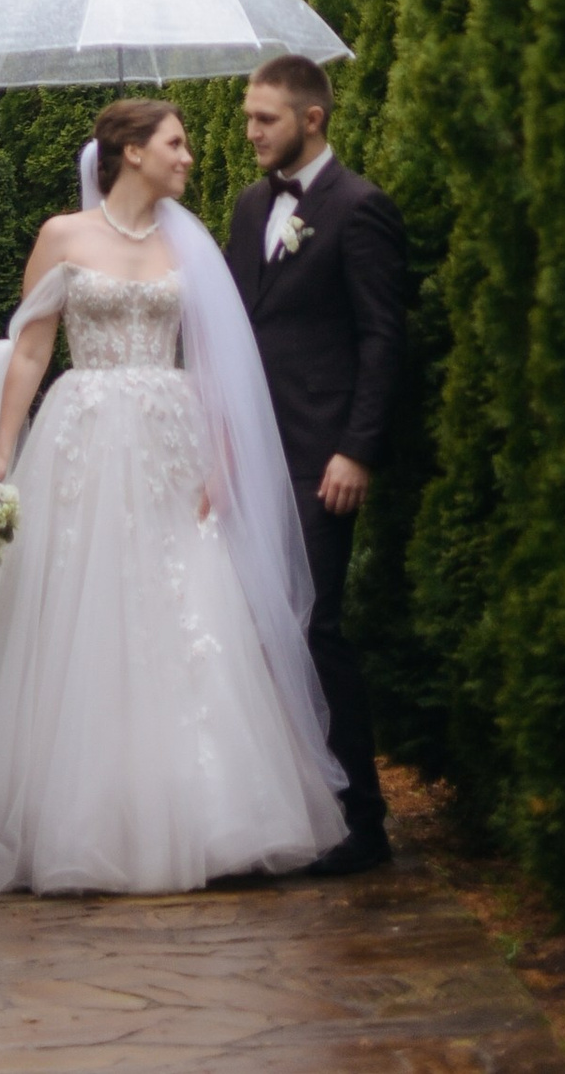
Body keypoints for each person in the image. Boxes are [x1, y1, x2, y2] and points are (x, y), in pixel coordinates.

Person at [0, 96, 347, 895]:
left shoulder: (189, 247)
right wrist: (0, 450)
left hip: (171, 437)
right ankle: (71, 815)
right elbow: (31, 347)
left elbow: (217, 363)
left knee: (183, 606)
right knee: (76, 612)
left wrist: (222, 458)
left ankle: (202, 811)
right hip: (83, 437)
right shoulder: (63, 235)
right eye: (176, 141)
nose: (190, 155)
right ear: (131, 150)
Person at [225, 57, 405, 874]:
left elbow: (382, 336)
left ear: (313, 118)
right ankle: (286, 809)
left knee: (315, 627)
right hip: (252, 452)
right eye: (249, 116)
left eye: (266, 117)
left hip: (320, 457)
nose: (252, 130)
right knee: (256, 632)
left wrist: (357, 447)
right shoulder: (247, 207)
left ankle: (361, 822)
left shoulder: (360, 209)